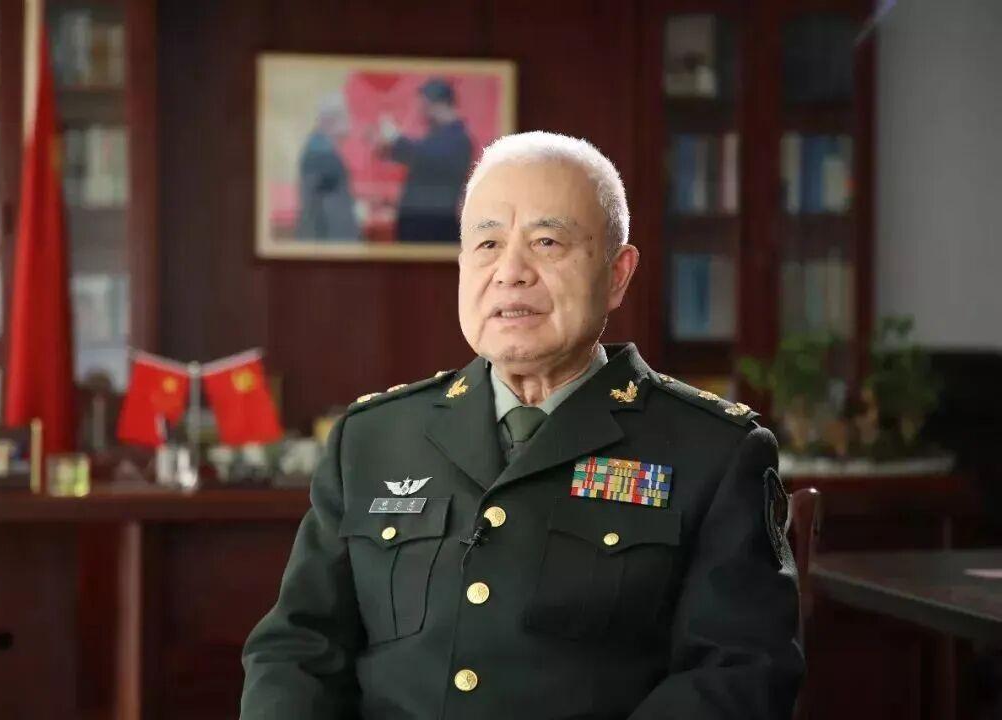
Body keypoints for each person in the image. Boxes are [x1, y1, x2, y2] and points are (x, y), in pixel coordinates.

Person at [241, 131, 804, 719]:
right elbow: (298, 648)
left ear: (617, 274)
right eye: (487, 243)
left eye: (547, 242)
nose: (510, 272)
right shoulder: (372, 438)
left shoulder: (712, 451)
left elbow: (740, 674)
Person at [378, 78, 472, 243]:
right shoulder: (437, 136)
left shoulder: (458, 140)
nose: (421, 112)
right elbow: (420, 158)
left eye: (425, 106)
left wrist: (395, 138)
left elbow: (426, 157)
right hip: (420, 224)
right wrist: (388, 148)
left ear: (439, 104)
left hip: (433, 225)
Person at [296, 93, 360, 241]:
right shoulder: (324, 157)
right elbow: (337, 216)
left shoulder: (316, 148)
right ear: (329, 121)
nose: (350, 122)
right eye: (346, 116)